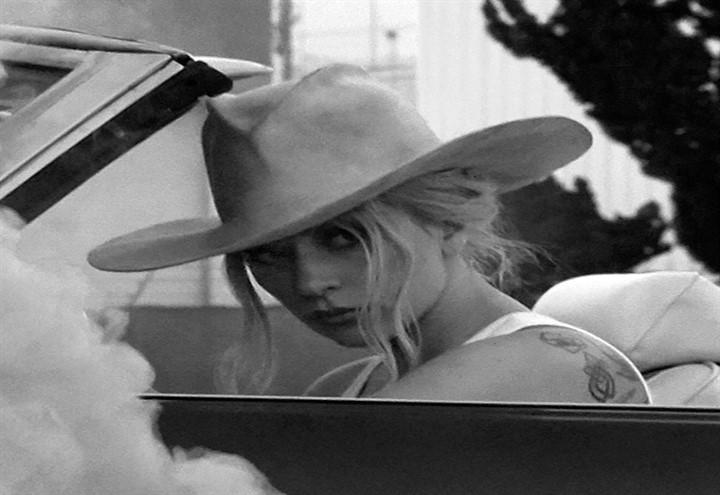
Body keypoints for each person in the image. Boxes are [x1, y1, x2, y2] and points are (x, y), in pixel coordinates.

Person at [87, 63, 651, 404]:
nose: (310, 282)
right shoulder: (352, 387)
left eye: (344, 238)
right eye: (267, 254)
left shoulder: (538, 364)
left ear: (449, 218)